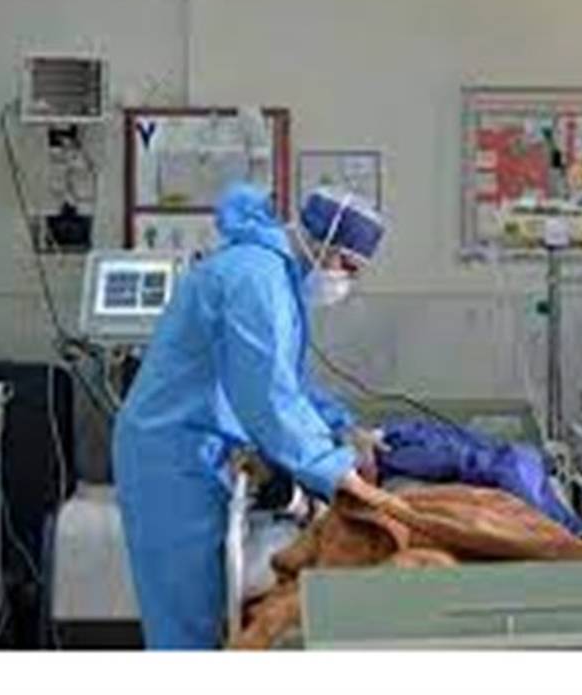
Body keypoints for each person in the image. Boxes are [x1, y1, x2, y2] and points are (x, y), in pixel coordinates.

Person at [113, 183, 389, 649]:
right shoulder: (256, 280)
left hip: (199, 448)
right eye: (348, 266)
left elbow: (287, 382)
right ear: (324, 242)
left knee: (206, 611)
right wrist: (334, 471)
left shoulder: (272, 276)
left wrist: (340, 425)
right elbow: (266, 397)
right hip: (172, 457)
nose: (346, 280)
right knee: (186, 623)